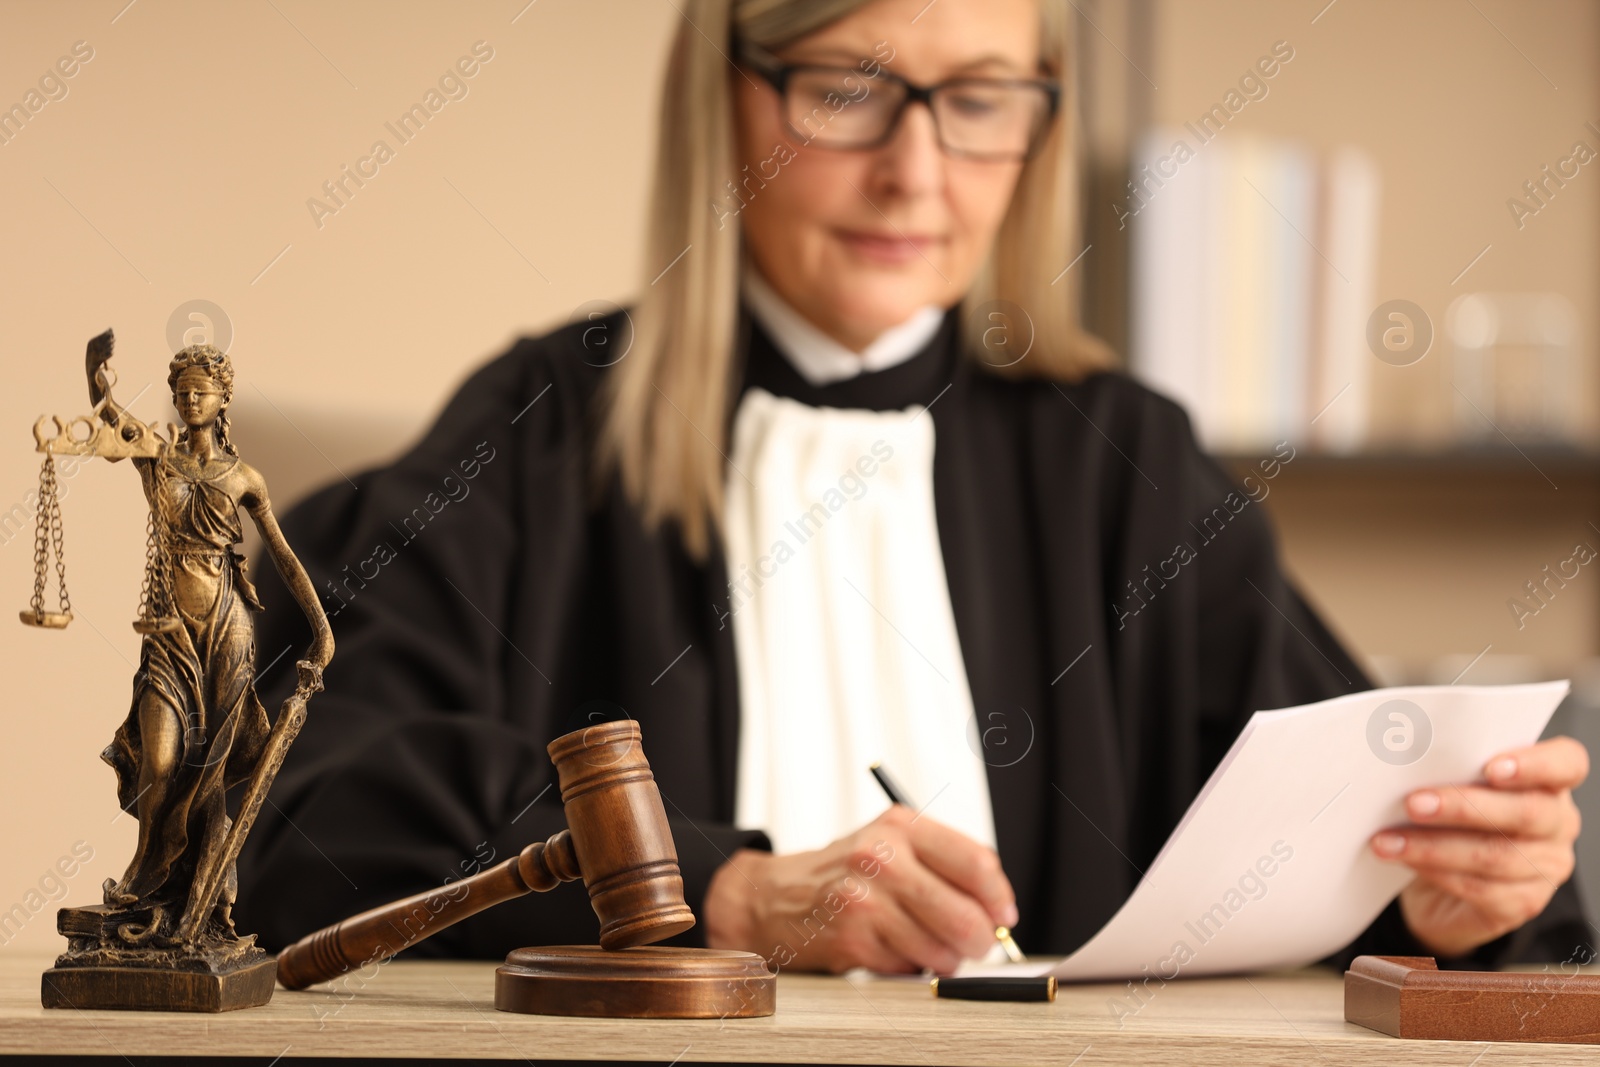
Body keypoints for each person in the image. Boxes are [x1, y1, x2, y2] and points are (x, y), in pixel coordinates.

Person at [236, 0, 1590, 975]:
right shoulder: (536, 432)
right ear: (726, 89)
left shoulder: (1126, 465)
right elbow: (307, 807)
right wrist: (727, 889)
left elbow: (1316, 835)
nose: (918, 170)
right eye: (847, 86)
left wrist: (1462, 894)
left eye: (983, 97)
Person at [104, 345, 333, 945]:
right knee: (159, 761)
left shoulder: (244, 477)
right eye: (180, 393)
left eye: (199, 391)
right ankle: (147, 877)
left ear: (222, 397)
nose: (188, 401)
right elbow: (114, 421)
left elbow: (282, 557)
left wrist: (323, 629)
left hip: (227, 628)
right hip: (169, 628)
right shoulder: (159, 458)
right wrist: (100, 392)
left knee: (208, 770)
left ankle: (191, 903)